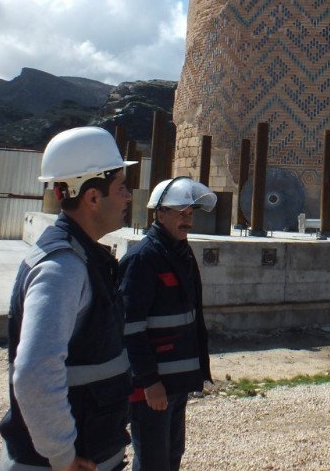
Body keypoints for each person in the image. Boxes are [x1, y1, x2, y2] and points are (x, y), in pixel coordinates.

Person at [0, 126, 135, 471]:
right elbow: (33, 373)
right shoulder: (64, 268)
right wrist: (62, 456)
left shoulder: (79, 255)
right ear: (92, 197)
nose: (128, 197)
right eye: (121, 187)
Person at [119, 176, 216, 471]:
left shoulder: (181, 253)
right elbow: (130, 326)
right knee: (152, 461)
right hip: (154, 386)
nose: (187, 221)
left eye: (190, 215)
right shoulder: (143, 258)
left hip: (177, 382)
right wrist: (149, 381)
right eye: (180, 214)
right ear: (160, 214)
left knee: (172, 455)